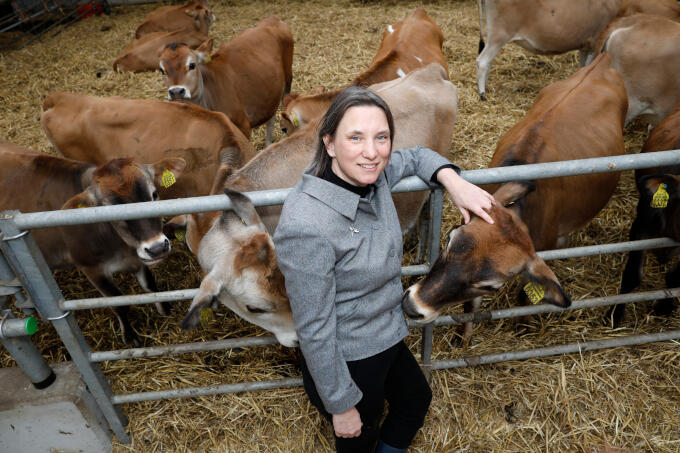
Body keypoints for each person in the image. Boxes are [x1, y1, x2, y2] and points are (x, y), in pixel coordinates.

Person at [273, 86, 495, 453]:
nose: (372, 152)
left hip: (387, 332)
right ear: (329, 143)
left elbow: (418, 156)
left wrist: (454, 182)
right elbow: (314, 328)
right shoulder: (306, 226)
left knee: (415, 401)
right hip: (349, 359)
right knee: (362, 434)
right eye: (355, 137)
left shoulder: (372, 175)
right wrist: (341, 404)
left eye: (382, 137)